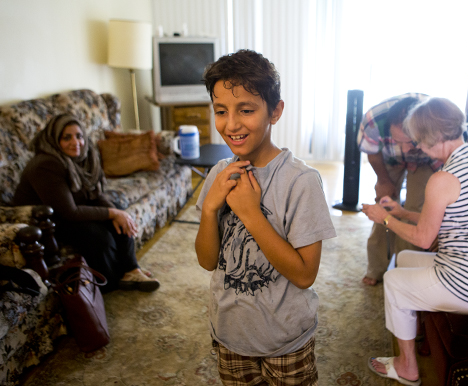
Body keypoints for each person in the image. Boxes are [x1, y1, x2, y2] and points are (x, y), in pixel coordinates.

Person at [195, 49, 337, 385]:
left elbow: (305, 275)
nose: (231, 124)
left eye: (246, 110)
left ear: (275, 111)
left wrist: (250, 214)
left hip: (286, 339)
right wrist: (209, 208)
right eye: (220, 111)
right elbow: (206, 260)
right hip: (230, 335)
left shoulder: (301, 182)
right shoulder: (218, 173)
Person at [361, 97, 468, 385]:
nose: (414, 146)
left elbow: (424, 238)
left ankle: (407, 368)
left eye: (416, 139)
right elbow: (443, 220)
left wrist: (385, 219)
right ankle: (413, 324)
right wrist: (403, 212)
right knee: (402, 260)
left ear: (430, 137)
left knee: (393, 281)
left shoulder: (443, 178)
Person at [13, 114, 159, 293]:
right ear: (54, 139)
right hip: (44, 221)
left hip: (69, 211)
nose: (76, 142)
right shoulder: (46, 164)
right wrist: (112, 214)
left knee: (121, 214)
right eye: (67, 137)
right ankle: (110, 282)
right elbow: (68, 212)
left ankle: (130, 270)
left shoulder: (84, 157)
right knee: (99, 236)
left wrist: (116, 212)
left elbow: (94, 194)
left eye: (79, 136)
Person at [357, 94, 443, 286]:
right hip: (389, 159)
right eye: (399, 140)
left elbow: (445, 169)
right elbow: (372, 152)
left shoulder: (436, 124)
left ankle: (404, 267)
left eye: (410, 141)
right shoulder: (374, 121)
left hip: (425, 162)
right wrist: (383, 180)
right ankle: (376, 268)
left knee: (416, 208)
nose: (405, 149)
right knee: (384, 204)